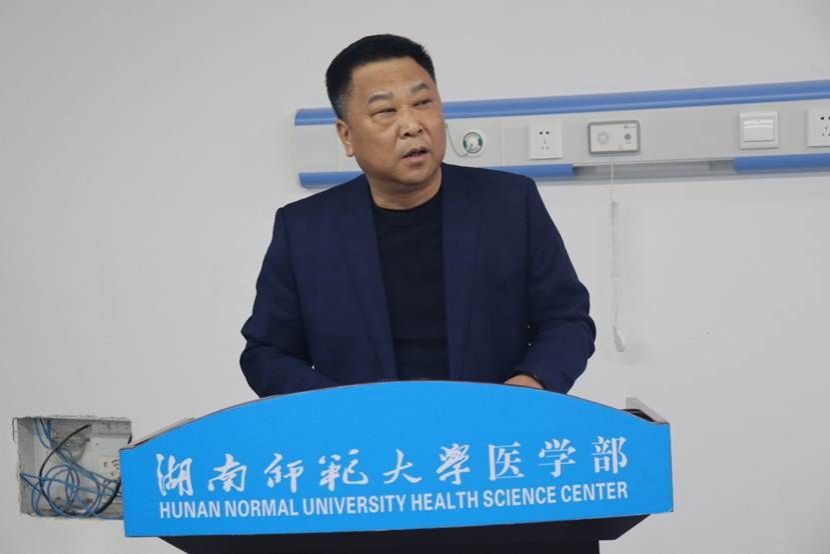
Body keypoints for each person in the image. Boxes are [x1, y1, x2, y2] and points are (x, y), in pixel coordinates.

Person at [240, 34, 595, 397]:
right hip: (362, 428)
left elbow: (567, 320)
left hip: (492, 423)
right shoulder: (305, 230)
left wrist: (529, 386)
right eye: (385, 111)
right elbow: (266, 353)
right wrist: (341, 407)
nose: (412, 125)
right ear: (347, 136)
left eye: (423, 103)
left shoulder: (509, 204)